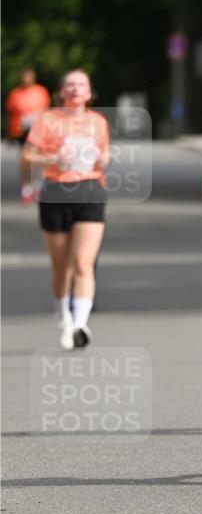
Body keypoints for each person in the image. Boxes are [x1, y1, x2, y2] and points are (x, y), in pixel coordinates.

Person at [24, 69, 110, 350]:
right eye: (70, 85)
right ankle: (63, 315)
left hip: (90, 191)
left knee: (84, 263)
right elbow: (27, 155)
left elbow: (105, 157)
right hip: (56, 192)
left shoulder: (98, 122)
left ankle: (79, 323)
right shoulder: (47, 119)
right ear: (61, 92)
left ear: (89, 92)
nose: (75, 89)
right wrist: (54, 157)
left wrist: (102, 157)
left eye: (81, 85)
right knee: (62, 269)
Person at [5, 67, 50, 204]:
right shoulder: (15, 94)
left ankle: (37, 187)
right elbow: (10, 114)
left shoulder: (40, 91)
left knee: (37, 160)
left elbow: (47, 111)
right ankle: (26, 189)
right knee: (25, 160)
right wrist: (8, 134)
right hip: (21, 131)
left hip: (38, 130)